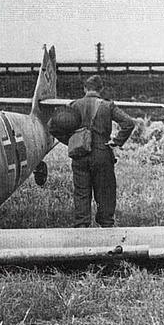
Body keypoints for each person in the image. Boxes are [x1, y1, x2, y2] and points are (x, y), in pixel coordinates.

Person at [67, 75, 135, 227]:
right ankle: (106, 225)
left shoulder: (73, 105)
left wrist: (71, 141)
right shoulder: (108, 105)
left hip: (79, 154)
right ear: (101, 89)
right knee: (105, 192)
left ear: (85, 88)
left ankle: (82, 226)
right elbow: (128, 123)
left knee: (81, 192)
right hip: (102, 153)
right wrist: (116, 141)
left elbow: (54, 126)